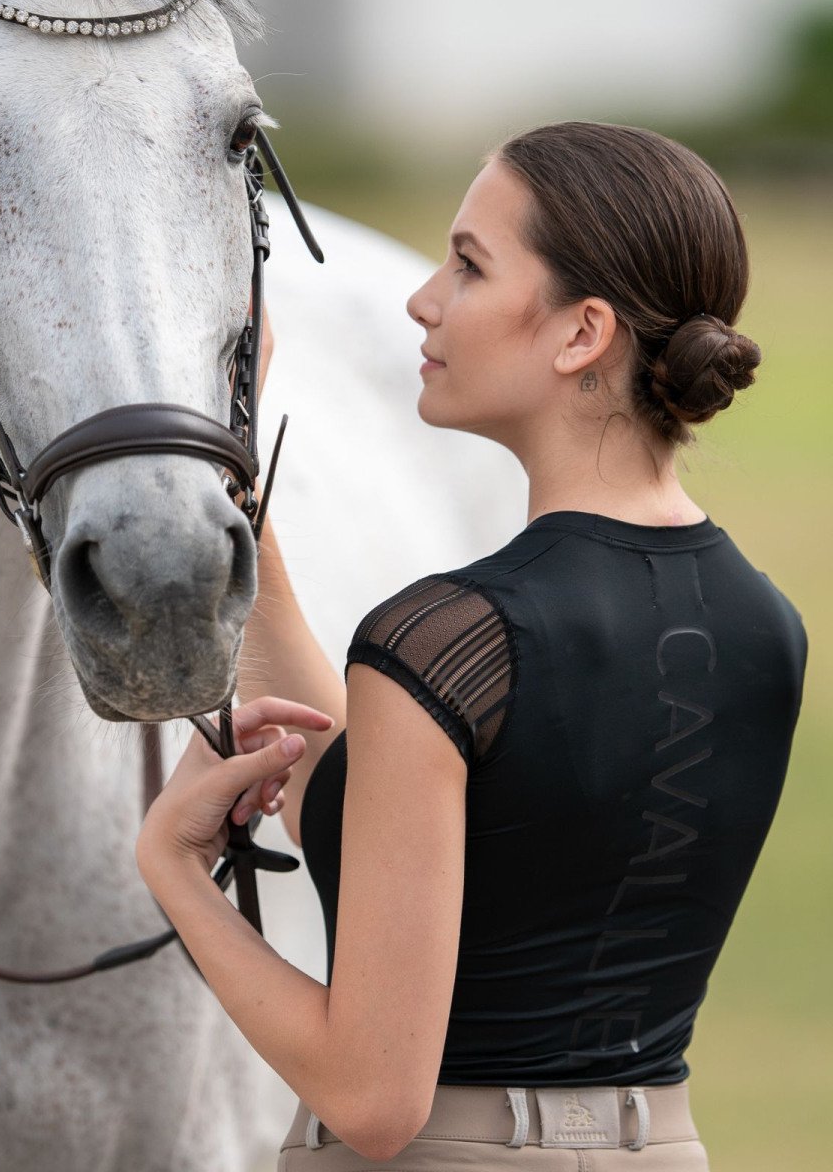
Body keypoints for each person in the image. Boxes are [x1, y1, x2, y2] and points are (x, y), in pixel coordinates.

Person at [134, 121, 808, 1170]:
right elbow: (446, 845)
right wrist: (240, 497)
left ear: (583, 334)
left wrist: (174, 870)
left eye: (469, 266)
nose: (421, 299)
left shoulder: (449, 639)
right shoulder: (766, 625)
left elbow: (372, 1098)